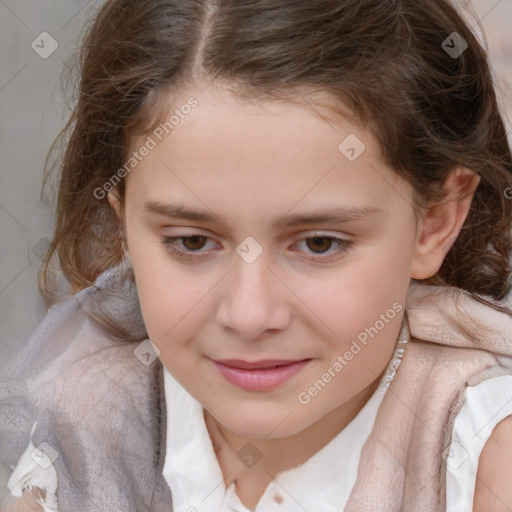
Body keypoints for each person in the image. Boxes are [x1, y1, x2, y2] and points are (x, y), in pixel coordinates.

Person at [1, 0, 512, 510]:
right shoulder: (78, 433)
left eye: (318, 244)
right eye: (192, 242)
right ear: (123, 224)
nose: (249, 316)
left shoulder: (481, 457)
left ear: (435, 220)